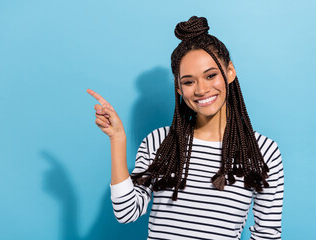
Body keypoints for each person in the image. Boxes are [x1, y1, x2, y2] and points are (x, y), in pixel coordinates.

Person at [87, 16, 284, 240]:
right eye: (189, 82)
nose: (201, 89)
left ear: (229, 72)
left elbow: (267, 234)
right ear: (179, 88)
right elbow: (126, 212)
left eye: (211, 76)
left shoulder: (263, 152)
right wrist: (117, 139)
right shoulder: (159, 142)